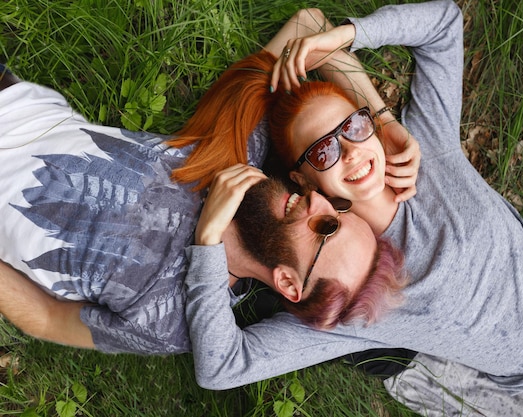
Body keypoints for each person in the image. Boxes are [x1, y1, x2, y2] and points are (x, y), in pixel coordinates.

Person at [175, 1, 523, 416]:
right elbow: (221, 367)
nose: (350, 152)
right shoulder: (351, 295)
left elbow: (442, 24)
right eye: (322, 152)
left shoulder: (425, 150)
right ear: (302, 180)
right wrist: (208, 246)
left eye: (352, 127)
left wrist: (346, 42)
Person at [0, 7, 413, 354]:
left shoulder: (174, 321)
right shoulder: (239, 151)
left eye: (326, 227)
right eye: (336, 207)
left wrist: (208, 241)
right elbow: (311, 26)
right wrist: (383, 120)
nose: (317, 202)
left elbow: (48, 318)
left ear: (288, 281)